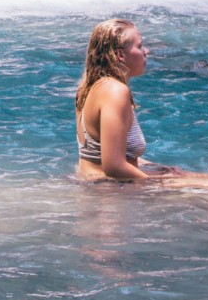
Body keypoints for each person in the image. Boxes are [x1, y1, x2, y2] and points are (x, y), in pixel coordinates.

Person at [75, 17, 195, 183]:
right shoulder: (115, 92)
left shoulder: (90, 86)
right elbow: (113, 166)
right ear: (120, 55)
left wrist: (158, 168)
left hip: (94, 185)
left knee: (198, 178)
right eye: (139, 46)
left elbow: (101, 155)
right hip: (110, 192)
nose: (147, 51)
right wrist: (160, 183)